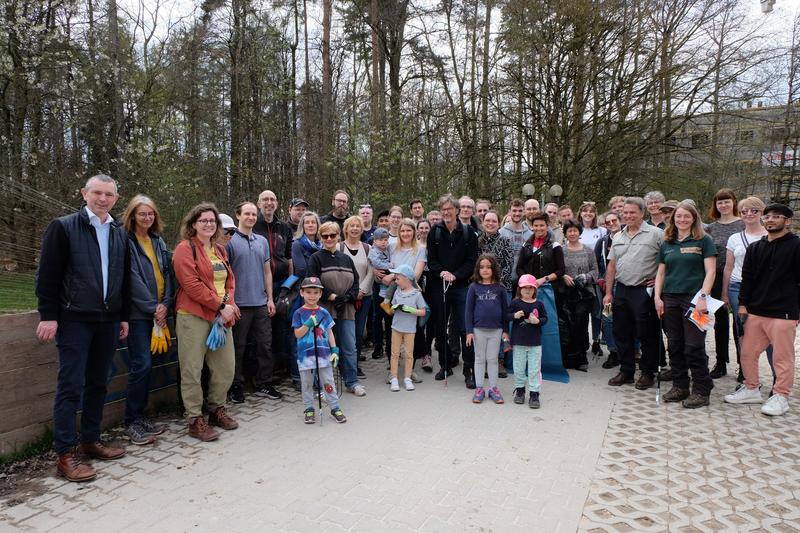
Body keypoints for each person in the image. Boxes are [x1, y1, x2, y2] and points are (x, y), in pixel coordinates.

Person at [36, 175, 130, 482]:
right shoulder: (63, 227)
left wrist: (124, 315)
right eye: (97, 193)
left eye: (109, 194)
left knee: (99, 382)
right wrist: (48, 315)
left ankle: (91, 440)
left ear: (117, 198)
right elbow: (47, 276)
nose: (103, 199)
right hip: (74, 319)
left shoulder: (118, 231)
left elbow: (123, 277)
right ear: (84, 194)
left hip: (108, 320)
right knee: (70, 386)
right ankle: (66, 453)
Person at [724, 203, 800, 416]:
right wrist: (743, 305)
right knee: (747, 353)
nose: (770, 220)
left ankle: (781, 395)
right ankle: (751, 388)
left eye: (777, 217)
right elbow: (747, 279)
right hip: (756, 310)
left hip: (784, 312)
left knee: (782, 358)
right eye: (768, 216)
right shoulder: (756, 248)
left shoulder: (796, 246)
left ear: (787, 221)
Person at [172, 203, 239, 442]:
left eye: (212, 221)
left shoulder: (220, 250)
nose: (209, 224)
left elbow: (229, 282)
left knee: (225, 367)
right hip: (193, 316)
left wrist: (228, 306)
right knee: (192, 368)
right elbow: (191, 285)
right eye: (203, 221)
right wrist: (221, 306)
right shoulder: (184, 249)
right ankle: (194, 418)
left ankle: (216, 409)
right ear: (193, 225)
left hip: (221, 318)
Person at [654, 201, 716, 408]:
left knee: (694, 346)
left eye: (686, 216)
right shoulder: (667, 242)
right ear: (673, 219)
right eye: (678, 216)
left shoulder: (703, 240)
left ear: (694, 219)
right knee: (675, 344)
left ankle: (701, 389)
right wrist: (657, 297)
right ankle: (680, 386)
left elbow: (711, 272)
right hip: (670, 297)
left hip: (694, 299)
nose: (682, 220)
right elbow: (661, 272)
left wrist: (703, 297)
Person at [122, 194, 172, 446]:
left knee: (149, 365)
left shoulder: (157, 240)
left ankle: (141, 417)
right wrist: (154, 307)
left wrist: (166, 305)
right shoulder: (125, 240)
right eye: (142, 213)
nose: (147, 217)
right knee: (140, 364)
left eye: (150, 213)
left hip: (159, 310)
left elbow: (167, 273)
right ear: (132, 215)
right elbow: (131, 279)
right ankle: (131, 421)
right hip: (139, 313)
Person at [603, 197, 665, 390]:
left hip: (644, 291)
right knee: (621, 332)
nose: (628, 216)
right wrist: (608, 293)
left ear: (642, 213)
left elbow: (667, 260)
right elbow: (611, 266)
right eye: (626, 212)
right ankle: (626, 371)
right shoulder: (618, 236)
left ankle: (648, 372)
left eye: (633, 212)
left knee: (647, 333)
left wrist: (660, 279)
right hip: (621, 290)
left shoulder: (656, 234)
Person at [227, 201, 280, 404]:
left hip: (260, 303)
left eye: (253, 214)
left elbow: (267, 272)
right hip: (239, 304)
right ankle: (237, 386)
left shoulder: (262, 241)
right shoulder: (230, 242)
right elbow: (227, 275)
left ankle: (264, 383)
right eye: (246, 214)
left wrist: (269, 298)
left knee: (265, 345)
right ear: (238, 216)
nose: (250, 217)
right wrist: (231, 303)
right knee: (238, 347)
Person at [307, 221, 366, 396]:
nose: (329, 238)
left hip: (346, 309)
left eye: (333, 235)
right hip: (324, 310)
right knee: (323, 347)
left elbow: (356, 282)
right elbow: (312, 282)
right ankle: (321, 386)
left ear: (338, 236)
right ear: (321, 238)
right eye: (325, 236)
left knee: (349, 346)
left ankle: (352, 381)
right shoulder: (316, 258)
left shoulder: (346, 259)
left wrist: (348, 297)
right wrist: (331, 296)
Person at [427, 194, 479, 387]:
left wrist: (455, 275)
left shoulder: (468, 233)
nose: (446, 213)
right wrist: (442, 273)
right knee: (440, 328)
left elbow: (472, 261)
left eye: (449, 209)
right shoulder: (435, 232)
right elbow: (431, 260)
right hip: (439, 286)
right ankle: (445, 364)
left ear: (457, 210)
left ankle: (469, 370)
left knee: (466, 328)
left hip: (462, 286)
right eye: (443, 210)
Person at [721, 196, 772, 385]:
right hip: (738, 288)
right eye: (744, 211)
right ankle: (748, 375)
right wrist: (725, 293)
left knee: (768, 333)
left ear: (761, 213)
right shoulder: (735, 238)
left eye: (754, 210)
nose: (749, 214)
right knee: (744, 332)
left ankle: (776, 378)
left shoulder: (770, 235)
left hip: (765, 290)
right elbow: (728, 267)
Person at [253, 190, 295, 389]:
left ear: (277, 204)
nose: (269, 203)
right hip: (258, 284)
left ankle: (281, 369)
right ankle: (260, 377)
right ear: (259, 203)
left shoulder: (284, 227)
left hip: (282, 283)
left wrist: (290, 282)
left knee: (281, 328)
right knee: (262, 332)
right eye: (265, 200)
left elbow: (289, 257)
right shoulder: (253, 224)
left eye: (272, 199)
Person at [292, 276, 346, 424]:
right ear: (302, 293)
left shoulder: (324, 312)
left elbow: (329, 332)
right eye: (308, 292)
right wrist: (308, 324)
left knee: (328, 382)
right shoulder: (298, 313)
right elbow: (297, 334)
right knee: (307, 384)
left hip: (323, 355)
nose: (312, 296)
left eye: (315, 292)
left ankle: (335, 408)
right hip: (305, 356)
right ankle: (309, 409)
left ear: (321, 294)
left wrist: (334, 350)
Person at [705, 188, 744, 379]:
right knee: (719, 323)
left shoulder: (743, 224)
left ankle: (743, 366)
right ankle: (721, 363)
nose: (723, 205)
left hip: (739, 278)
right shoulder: (710, 228)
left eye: (727, 201)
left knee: (739, 323)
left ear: (734, 202)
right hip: (716, 278)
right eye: (720, 202)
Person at [465, 254, 509, 404]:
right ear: (478, 269)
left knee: (492, 359)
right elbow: (468, 311)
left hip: (496, 330)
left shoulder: (500, 288)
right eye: (482, 267)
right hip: (478, 330)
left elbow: (505, 311)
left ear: (494, 269)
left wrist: (505, 330)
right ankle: (479, 389)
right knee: (479, 359)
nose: (485, 270)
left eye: (488, 267)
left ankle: (493, 389)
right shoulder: (473, 287)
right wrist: (469, 331)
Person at [562, 219, 599, 371]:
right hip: (566, 293)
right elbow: (556, 269)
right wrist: (563, 276)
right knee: (567, 325)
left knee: (581, 324)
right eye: (569, 231)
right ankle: (568, 358)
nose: (572, 233)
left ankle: (581, 357)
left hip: (584, 294)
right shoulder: (561, 251)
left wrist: (586, 277)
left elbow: (595, 270)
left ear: (579, 232)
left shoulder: (588, 251)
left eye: (575, 230)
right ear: (565, 233)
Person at [508, 275, 548, 408]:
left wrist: (538, 321)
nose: (528, 290)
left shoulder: (539, 304)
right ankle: (520, 391)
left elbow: (545, 319)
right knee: (518, 368)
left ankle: (534, 393)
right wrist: (514, 315)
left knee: (534, 369)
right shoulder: (515, 303)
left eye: (531, 288)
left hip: (535, 344)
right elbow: (505, 315)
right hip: (519, 342)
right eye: (525, 287)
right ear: (519, 289)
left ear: (535, 289)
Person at [386, 264, 427, 391]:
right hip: (396, 328)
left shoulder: (417, 294)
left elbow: (423, 311)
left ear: (407, 279)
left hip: (410, 329)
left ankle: (407, 378)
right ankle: (394, 378)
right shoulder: (397, 293)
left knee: (409, 354)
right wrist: (393, 308)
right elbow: (391, 309)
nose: (396, 282)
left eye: (398, 279)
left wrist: (410, 310)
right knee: (395, 354)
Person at [340, 216, 373, 374]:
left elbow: (371, 272)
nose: (354, 229)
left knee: (359, 332)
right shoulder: (339, 247)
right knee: (345, 332)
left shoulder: (368, 248)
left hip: (364, 297)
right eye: (351, 226)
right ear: (346, 229)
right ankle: (342, 365)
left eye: (357, 226)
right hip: (345, 297)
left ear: (361, 229)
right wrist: (351, 293)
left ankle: (354, 365)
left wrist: (362, 290)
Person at [595, 211, 621, 369]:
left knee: (628, 319)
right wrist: (601, 278)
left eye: (614, 220)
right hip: (609, 287)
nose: (611, 224)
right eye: (608, 222)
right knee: (608, 318)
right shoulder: (603, 242)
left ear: (620, 220)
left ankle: (633, 351)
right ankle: (613, 352)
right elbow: (598, 263)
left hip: (626, 285)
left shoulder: (628, 237)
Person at [499, 199, 532, 281]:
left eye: (520, 211)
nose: (517, 213)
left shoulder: (530, 235)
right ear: (509, 212)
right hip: (504, 279)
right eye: (514, 211)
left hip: (523, 280)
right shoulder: (501, 233)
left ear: (524, 212)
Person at [292, 211, 323, 278]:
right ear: (302, 226)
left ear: (317, 226)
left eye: (313, 222)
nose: (310, 225)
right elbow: (302, 271)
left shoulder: (322, 245)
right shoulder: (297, 244)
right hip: (304, 284)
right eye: (307, 223)